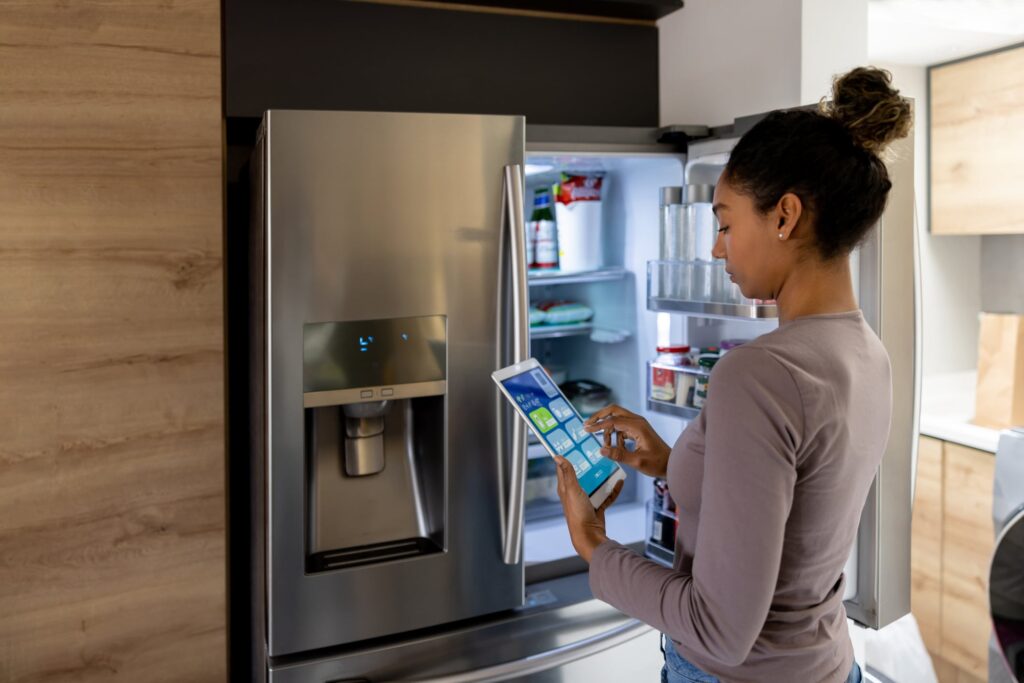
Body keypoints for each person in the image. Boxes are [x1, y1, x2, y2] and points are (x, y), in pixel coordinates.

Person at [552, 66, 912, 683]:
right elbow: (794, 512)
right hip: (825, 664)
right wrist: (674, 463)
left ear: (785, 215)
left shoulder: (761, 372)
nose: (717, 248)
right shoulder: (864, 350)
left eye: (724, 223)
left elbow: (719, 628)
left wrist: (594, 545)